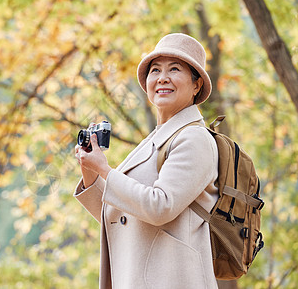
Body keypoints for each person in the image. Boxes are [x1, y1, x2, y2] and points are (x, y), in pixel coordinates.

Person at [73, 33, 219, 289]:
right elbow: (120, 216)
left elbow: (159, 207)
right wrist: (90, 170)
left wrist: (105, 169)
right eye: (155, 70)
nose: (162, 77)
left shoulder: (194, 138)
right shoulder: (154, 140)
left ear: (196, 85)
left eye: (174, 69)